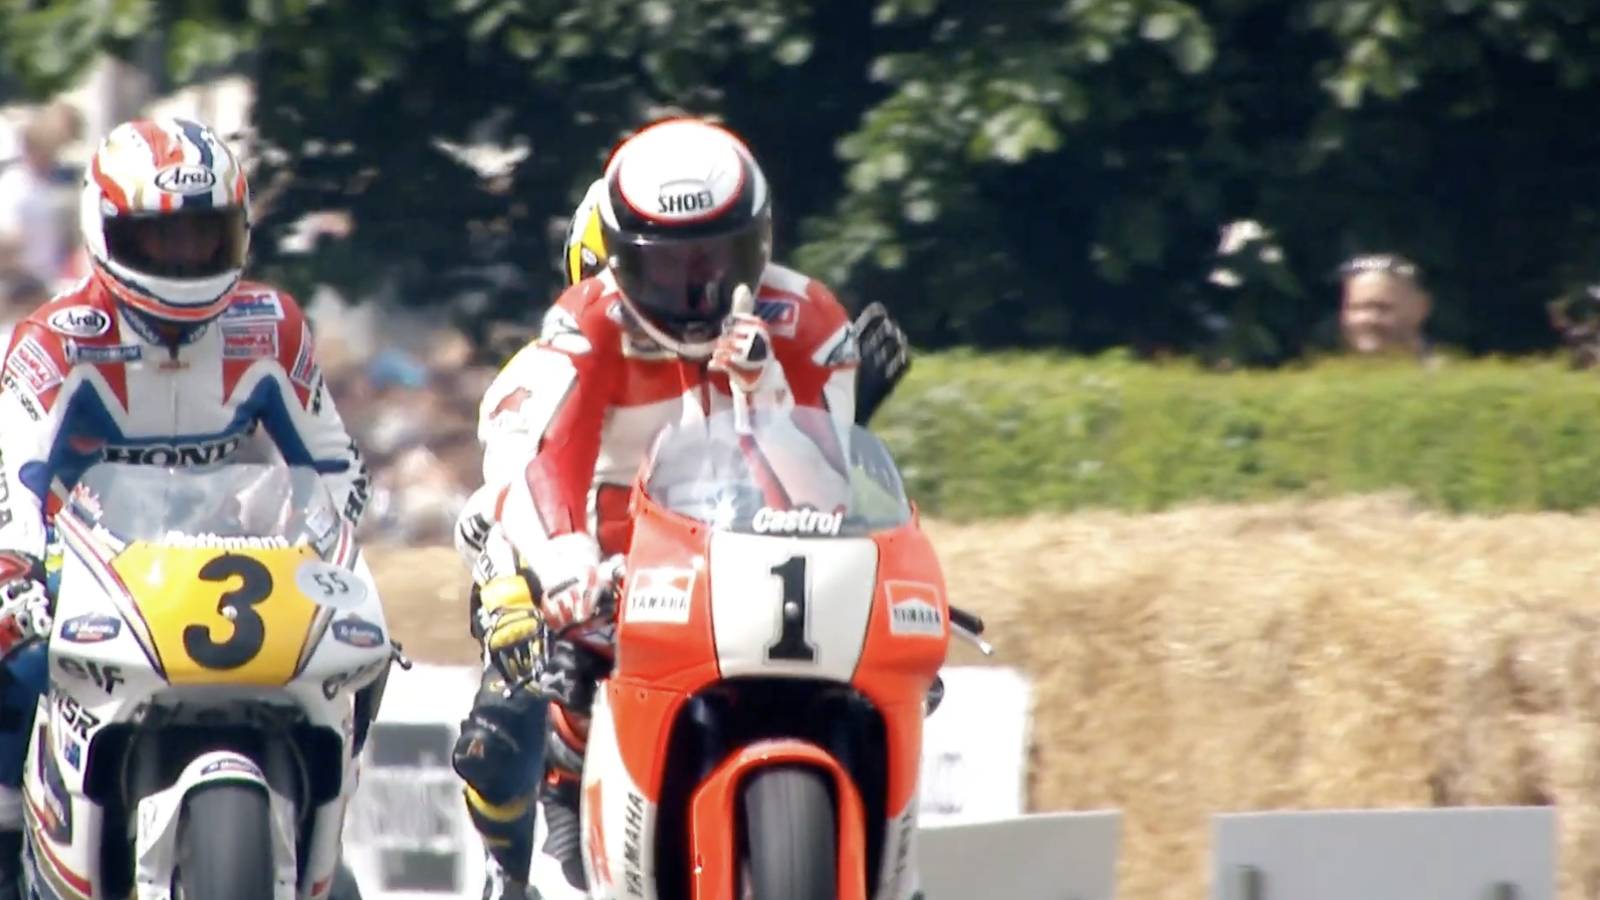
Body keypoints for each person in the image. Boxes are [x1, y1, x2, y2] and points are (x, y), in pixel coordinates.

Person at [448, 116, 896, 900]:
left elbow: (830, 488)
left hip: (760, 569)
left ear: (757, 245)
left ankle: (893, 865)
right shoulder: (584, 327)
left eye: (714, 263)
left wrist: (764, 393)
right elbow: (544, 463)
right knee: (514, 708)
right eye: (666, 269)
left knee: (895, 680)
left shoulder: (810, 320)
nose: (693, 293)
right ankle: (521, 860)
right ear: (618, 266)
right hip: (612, 575)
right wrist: (564, 570)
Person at [0, 117, 374, 899]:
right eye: (160, 240)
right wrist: (17, 568)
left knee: (363, 661)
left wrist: (334, 550)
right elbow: (16, 470)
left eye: (205, 237)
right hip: (85, 571)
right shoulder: (56, 340)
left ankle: (311, 832)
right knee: (14, 666)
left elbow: (333, 461)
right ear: (105, 234)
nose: (185, 259)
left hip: (227, 564)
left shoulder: (272, 327)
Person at [1337, 253, 1434, 361]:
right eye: (1355, 308)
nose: (1366, 319)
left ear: (1420, 308)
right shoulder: (1329, 375)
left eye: (1381, 308)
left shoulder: (1443, 376)